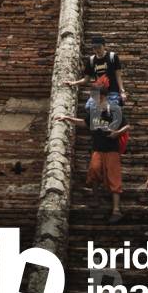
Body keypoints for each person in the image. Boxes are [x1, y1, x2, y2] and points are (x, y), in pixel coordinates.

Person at [58, 85, 128, 224]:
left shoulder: (115, 109)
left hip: (111, 149)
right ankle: (95, 198)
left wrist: (117, 133)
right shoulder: (94, 111)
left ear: (101, 96)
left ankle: (116, 210)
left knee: (114, 178)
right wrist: (67, 118)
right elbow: (84, 123)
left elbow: (126, 125)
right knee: (94, 171)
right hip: (98, 148)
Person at [66, 35, 127, 108]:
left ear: (104, 46)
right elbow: (86, 79)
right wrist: (73, 83)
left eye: (99, 47)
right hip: (98, 92)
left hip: (112, 91)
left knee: (111, 110)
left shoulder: (112, 57)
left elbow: (118, 76)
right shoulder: (91, 60)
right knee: (88, 107)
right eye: (94, 48)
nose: (97, 50)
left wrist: (122, 91)